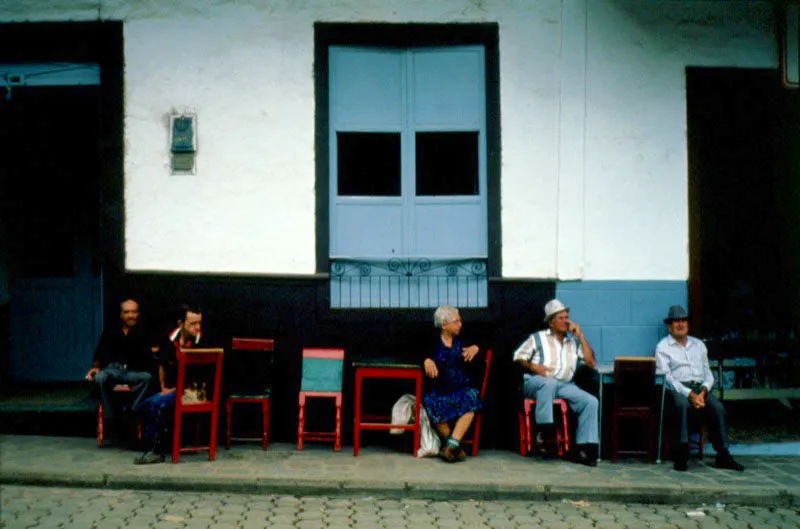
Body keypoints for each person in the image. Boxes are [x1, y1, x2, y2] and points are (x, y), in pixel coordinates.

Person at [655, 305, 744, 472]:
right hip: (678, 389)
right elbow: (668, 378)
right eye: (676, 321)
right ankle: (681, 454)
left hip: (700, 389)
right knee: (681, 405)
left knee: (718, 408)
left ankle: (723, 455)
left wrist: (702, 392)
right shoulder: (663, 347)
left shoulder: (698, 345)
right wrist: (690, 395)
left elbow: (708, 374)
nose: (680, 324)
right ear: (669, 326)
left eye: (683, 321)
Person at [513, 299, 599, 466]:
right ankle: (545, 434)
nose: (566, 321)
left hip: (564, 385)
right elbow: (518, 357)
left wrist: (580, 335)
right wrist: (533, 366)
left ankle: (584, 449)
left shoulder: (572, 342)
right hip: (537, 382)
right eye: (561, 318)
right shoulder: (538, 337)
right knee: (549, 383)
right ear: (551, 322)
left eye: (567, 317)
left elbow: (590, 362)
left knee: (590, 402)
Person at [134, 303, 203, 465]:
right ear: (181, 324)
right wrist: (164, 387)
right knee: (143, 405)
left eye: (199, 323)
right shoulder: (171, 338)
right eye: (192, 324)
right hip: (173, 388)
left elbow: (197, 378)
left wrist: (175, 390)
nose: (197, 327)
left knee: (157, 403)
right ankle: (157, 443)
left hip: (194, 391)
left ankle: (156, 450)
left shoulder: (201, 342)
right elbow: (162, 364)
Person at [422, 306, 483, 463]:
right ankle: (454, 446)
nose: (460, 324)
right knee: (431, 401)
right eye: (456, 321)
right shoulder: (431, 341)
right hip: (439, 391)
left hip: (460, 389)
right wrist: (426, 359)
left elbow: (486, 343)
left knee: (472, 398)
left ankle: (450, 446)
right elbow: (415, 351)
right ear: (443, 324)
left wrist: (477, 348)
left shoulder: (463, 340)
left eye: (460, 320)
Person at [86, 298, 153, 440]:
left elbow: (150, 357)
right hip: (113, 371)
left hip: (133, 372)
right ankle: (110, 417)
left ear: (138, 314)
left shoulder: (143, 332)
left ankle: (132, 410)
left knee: (147, 378)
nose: (130, 315)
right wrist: (96, 368)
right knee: (99, 378)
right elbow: (99, 352)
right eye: (127, 312)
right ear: (121, 315)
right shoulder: (110, 331)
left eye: (134, 312)